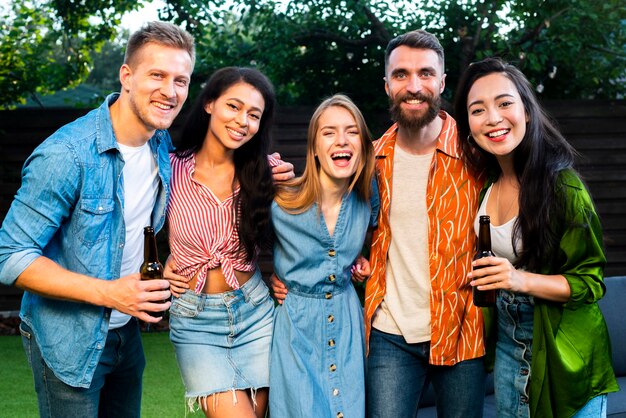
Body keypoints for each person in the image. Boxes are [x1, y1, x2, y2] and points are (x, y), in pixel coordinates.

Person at [271, 29, 487, 417]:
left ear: (441, 81)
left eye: (425, 73)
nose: (414, 85)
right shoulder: (369, 163)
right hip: (390, 334)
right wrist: (280, 273)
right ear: (387, 85)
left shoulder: (476, 155)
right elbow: (342, 231)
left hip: (460, 328)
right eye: (401, 74)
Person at [0, 21, 192, 417]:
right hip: (66, 340)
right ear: (126, 75)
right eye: (157, 75)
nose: (170, 91)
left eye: (181, 80)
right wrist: (110, 293)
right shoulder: (67, 155)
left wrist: (266, 169)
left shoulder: (160, 142)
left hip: (126, 334)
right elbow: (10, 255)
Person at [454, 57, 618, 418]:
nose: (493, 118)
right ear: (468, 125)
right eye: (477, 109)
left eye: (505, 103)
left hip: (563, 353)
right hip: (509, 353)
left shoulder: (563, 186)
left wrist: (517, 279)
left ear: (527, 111)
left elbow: (590, 283)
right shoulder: (485, 187)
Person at [163, 67, 279, 418]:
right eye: (234, 106)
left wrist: (289, 276)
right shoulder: (168, 168)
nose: (242, 120)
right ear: (210, 104)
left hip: (257, 314)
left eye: (254, 115)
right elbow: (133, 226)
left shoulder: (266, 172)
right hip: (194, 319)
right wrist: (160, 263)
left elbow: (304, 229)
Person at [268, 94, 376, 417]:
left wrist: (364, 260)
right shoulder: (281, 200)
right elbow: (236, 244)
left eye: (351, 131)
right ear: (314, 147)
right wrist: (273, 277)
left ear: (363, 143)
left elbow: (375, 244)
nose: (341, 140)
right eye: (329, 132)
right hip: (297, 330)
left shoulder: (368, 199)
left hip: (347, 328)